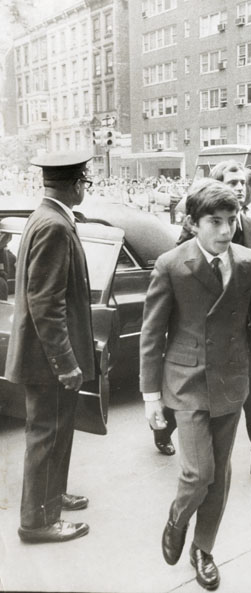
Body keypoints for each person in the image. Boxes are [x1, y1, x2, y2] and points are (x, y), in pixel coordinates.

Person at [140, 179, 251, 591]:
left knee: (220, 473)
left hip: (231, 380)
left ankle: (204, 548)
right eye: (215, 221)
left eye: (231, 220)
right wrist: (150, 397)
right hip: (187, 380)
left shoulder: (250, 263)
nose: (225, 230)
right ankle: (177, 520)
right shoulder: (171, 265)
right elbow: (152, 333)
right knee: (199, 473)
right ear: (193, 223)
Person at [7, 151, 96, 544]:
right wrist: (65, 362)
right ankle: (37, 521)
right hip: (46, 360)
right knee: (46, 435)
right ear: (76, 184)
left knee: (56, 432)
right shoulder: (55, 226)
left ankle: (52, 498)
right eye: (85, 183)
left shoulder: (44, 218)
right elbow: (46, 302)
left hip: (43, 356)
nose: (85, 190)